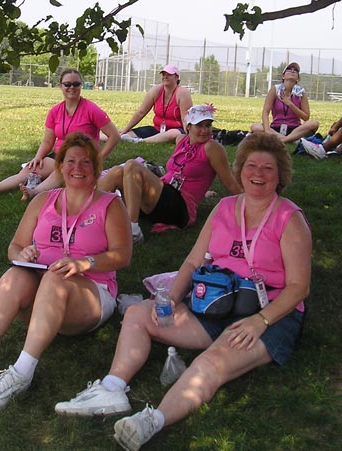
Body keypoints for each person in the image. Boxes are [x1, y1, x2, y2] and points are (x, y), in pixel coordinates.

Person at [53, 132, 312, 451]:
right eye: (251, 166)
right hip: (214, 300)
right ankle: (112, 388)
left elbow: (300, 287)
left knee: (210, 362)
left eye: (267, 168)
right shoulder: (225, 208)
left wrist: (260, 321)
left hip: (267, 312)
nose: (257, 174)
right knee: (137, 313)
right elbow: (191, 262)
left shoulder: (289, 218)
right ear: (240, 169)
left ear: (280, 175)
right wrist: (171, 299)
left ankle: (151, 421)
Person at [0, 133, 132, 413]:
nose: (77, 168)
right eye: (70, 161)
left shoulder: (110, 205)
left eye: (85, 162)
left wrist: (84, 263)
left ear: (95, 168)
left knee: (56, 278)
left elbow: (122, 256)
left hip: (89, 295)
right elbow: (15, 246)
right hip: (41, 293)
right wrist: (23, 254)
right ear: (60, 166)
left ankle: (22, 372)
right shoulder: (42, 201)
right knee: (14, 275)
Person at [0, 69, 120, 199]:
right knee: (32, 168)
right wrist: (38, 157)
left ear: (81, 86)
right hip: (59, 154)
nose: (72, 87)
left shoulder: (91, 109)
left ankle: (34, 193)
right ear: (60, 86)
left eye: (76, 84)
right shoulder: (55, 111)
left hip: (83, 158)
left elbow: (115, 136)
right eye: (67, 84)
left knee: (62, 169)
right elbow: (47, 141)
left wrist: (98, 158)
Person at [98, 104, 242, 243]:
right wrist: (203, 191)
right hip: (164, 196)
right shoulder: (182, 140)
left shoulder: (212, 147)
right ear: (188, 127)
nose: (204, 130)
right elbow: (179, 173)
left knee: (132, 165)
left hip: (179, 207)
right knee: (118, 171)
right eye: (199, 125)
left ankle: (133, 230)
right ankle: (87, 212)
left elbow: (228, 181)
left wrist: (248, 201)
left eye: (208, 125)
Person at [102, 64, 192, 144]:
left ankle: (140, 142)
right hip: (157, 129)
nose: (165, 76)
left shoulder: (182, 93)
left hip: (177, 130)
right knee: (123, 134)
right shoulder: (156, 90)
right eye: (164, 74)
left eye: (169, 74)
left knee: (173, 133)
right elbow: (141, 112)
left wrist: (190, 137)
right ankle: (94, 136)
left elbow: (186, 119)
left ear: (176, 77)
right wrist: (126, 129)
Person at [251, 62, 319, 144]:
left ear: (298, 78)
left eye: (296, 70)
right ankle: (291, 139)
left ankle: (283, 140)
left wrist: (290, 104)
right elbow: (265, 112)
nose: (292, 71)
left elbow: (306, 117)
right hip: (276, 128)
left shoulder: (301, 92)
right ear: (283, 76)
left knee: (314, 123)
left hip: (295, 129)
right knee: (255, 127)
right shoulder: (275, 89)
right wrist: (267, 130)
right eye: (289, 69)